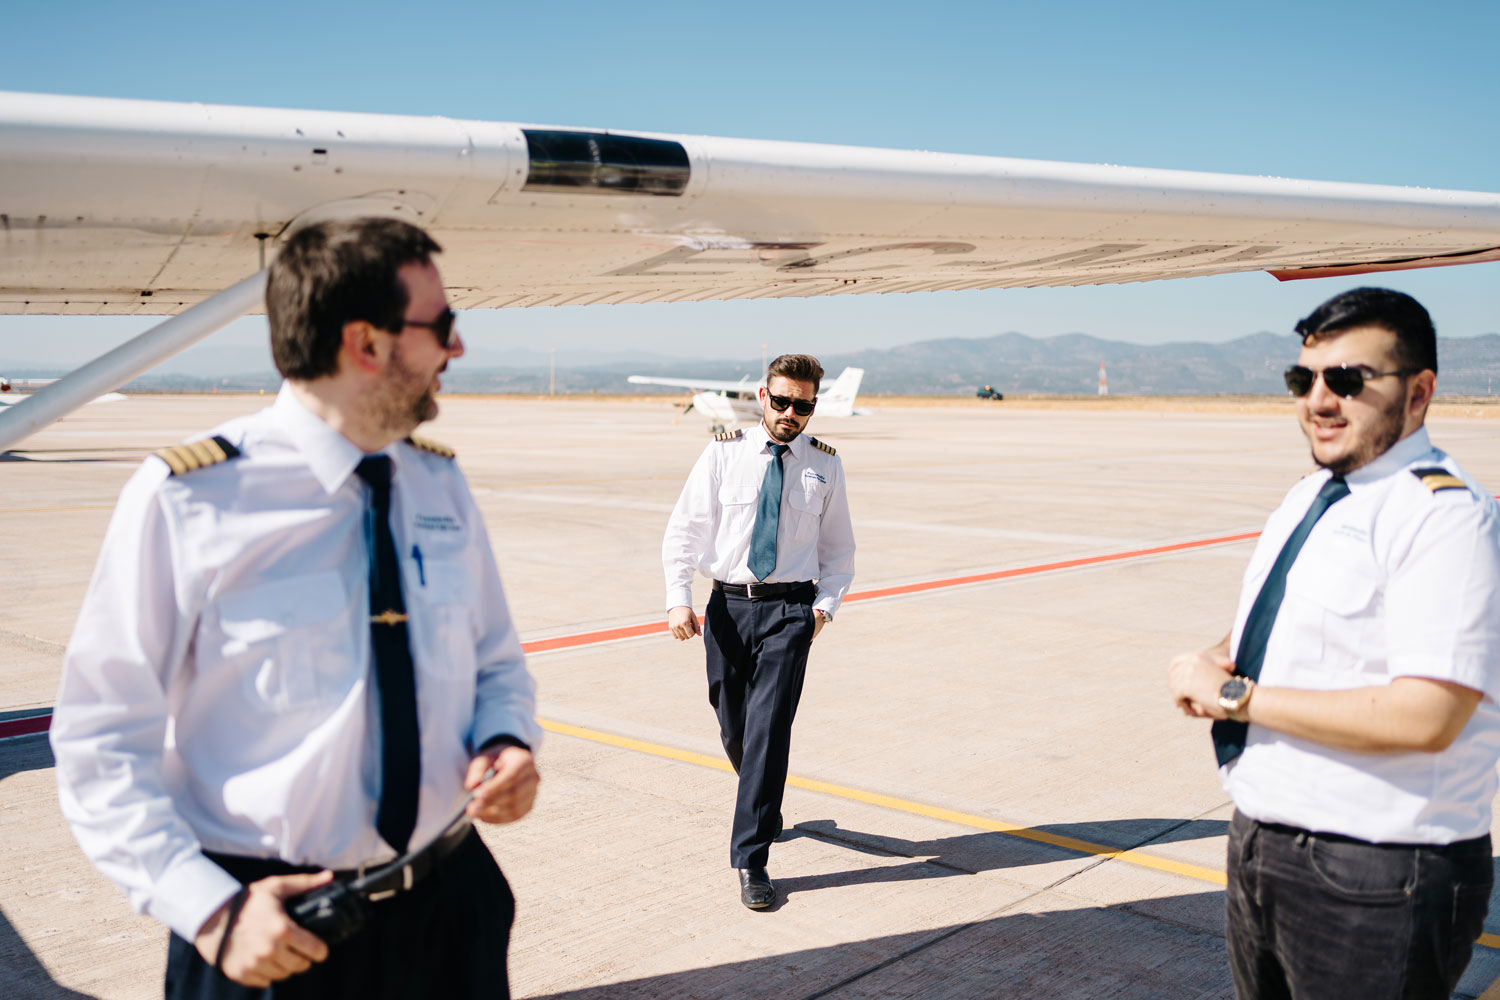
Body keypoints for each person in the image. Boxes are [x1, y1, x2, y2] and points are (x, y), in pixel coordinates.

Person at [50, 217, 542, 999]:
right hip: (272, 928)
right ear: (365, 342)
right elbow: (99, 739)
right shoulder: (191, 497)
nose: (456, 347)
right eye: (442, 324)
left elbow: (495, 662)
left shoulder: (438, 483)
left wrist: (506, 739)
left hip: (451, 908)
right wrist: (209, 911)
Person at [1166, 287, 1500, 999]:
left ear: (1419, 393)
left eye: (1347, 380)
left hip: (1376, 870)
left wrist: (1235, 697)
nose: (1319, 400)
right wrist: (1220, 653)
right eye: (1305, 378)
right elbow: (1291, 616)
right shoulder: (1312, 495)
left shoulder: (1441, 516)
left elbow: (1428, 716)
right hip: (1263, 840)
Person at [662, 353, 856, 909]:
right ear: (763, 397)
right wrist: (678, 600)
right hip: (727, 607)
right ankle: (764, 806)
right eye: (783, 401)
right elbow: (684, 530)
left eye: (803, 406)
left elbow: (839, 549)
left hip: (790, 612)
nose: (791, 413)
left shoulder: (826, 465)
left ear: (813, 407)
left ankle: (752, 859)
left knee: (769, 731)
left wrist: (822, 611)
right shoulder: (723, 453)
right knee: (734, 725)